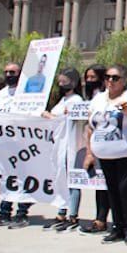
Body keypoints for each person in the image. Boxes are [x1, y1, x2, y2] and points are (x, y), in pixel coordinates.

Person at [84, 65, 127, 245]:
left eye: (115, 77)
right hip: (104, 154)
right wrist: (89, 153)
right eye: (107, 77)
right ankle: (117, 227)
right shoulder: (98, 99)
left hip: (126, 152)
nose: (110, 81)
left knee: (126, 191)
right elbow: (90, 127)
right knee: (111, 192)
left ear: (124, 80)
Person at [0, 63, 31, 227]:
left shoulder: (26, 92)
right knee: (5, 179)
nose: (9, 75)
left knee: (23, 178)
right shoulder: (2, 93)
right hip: (3, 142)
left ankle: (22, 213)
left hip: (21, 143)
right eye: (6, 72)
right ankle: (4, 212)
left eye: (12, 72)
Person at [42, 68, 84, 232]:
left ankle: (72, 215)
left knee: (72, 181)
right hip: (58, 145)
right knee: (61, 179)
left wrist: (50, 117)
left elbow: (69, 121)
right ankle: (61, 212)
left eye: (64, 81)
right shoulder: (62, 100)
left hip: (70, 145)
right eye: (59, 81)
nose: (61, 84)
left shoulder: (76, 99)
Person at [77, 65, 112, 234]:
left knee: (106, 186)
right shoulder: (88, 98)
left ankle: (103, 219)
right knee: (98, 184)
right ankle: (100, 218)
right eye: (87, 78)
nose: (89, 81)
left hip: (106, 145)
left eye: (93, 77)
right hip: (90, 145)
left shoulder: (104, 97)